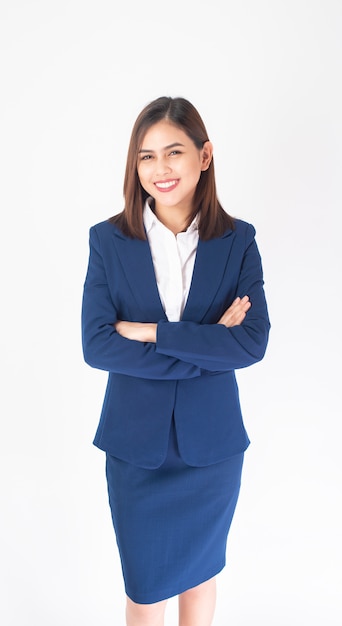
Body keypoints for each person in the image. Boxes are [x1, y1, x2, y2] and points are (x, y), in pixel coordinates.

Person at [81, 95, 270, 626]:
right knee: (144, 588)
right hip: (136, 448)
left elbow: (252, 343)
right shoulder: (108, 241)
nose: (159, 169)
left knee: (201, 576)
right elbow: (97, 346)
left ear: (204, 157)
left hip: (211, 449)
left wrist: (149, 333)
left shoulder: (238, 241)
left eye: (174, 152)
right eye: (146, 156)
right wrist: (206, 345)